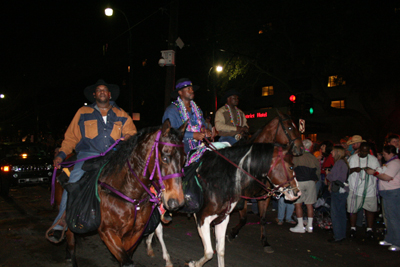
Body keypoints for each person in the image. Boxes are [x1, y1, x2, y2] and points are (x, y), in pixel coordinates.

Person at [47, 79, 137, 243]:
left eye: (105, 90)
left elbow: (132, 133)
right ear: (94, 94)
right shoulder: (83, 112)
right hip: (87, 155)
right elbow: (71, 138)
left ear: (110, 95)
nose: (102, 92)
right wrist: (61, 155)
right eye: (99, 90)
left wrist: (128, 138)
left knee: (133, 178)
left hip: (113, 156)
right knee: (73, 181)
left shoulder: (121, 114)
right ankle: (61, 222)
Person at [162, 78, 210, 154]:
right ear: (180, 92)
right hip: (180, 151)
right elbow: (171, 132)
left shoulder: (197, 109)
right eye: (188, 89)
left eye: (192, 89)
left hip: (199, 148)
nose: (192, 91)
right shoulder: (172, 110)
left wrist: (206, 131)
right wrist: (193, 135)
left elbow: (202, 124)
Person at [366, 145, 400, 251]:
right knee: (389, 218)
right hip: (387, 193)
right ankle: (390, 238)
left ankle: (398, 242)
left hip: (392, 193)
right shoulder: (390, 163)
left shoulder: (395, 163)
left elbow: (387, 177)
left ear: (391, 153)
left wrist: (374, 173)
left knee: (394, 218)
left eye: (385, 154)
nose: (384, 156)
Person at [347, 142, 380, 239]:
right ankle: (353, 228)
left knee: (370, 209)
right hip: (355, 188)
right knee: (353, 209)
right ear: (359, 150)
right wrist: (354, 169)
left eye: (366, 151)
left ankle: (369, 229)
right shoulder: (353, 158)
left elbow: (379, 171)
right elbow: (346, 171)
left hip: (369, 188)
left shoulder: (373, 160)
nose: (364, 153)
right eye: (362, 151)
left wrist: (372, 171)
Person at [290, 139, 321, 233]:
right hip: (311, 182)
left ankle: (300, 226)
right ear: (310, 147)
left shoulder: (296, 156)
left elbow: (292, 169)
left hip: (299, 181)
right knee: (309, 204)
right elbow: (318, 171)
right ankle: (310, 226)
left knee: (298, 204)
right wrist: (315, 180)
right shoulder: (313, 157)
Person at [325, 146, 349, 242]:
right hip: (343, 190)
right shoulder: (343, 162)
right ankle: (341, 234)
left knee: (336, 213)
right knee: (341, 213)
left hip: (338, 190)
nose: (331, 152)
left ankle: (338, 235)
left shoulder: (339, 163)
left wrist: (328, 173)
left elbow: (333, 177)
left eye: (333, 151)